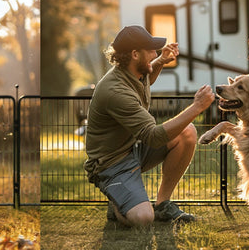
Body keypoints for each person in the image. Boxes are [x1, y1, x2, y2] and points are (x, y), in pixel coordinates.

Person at [84, 25, 215, 226]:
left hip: (132, 147)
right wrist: (197, 107)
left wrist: (160, 61)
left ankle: (162, 204)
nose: (155, 53)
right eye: (151, 50)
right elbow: (153, 137)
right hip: (111, 164)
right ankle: (118, 201)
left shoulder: (132, 72)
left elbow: (146, 80)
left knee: (186, 133)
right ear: (135, 54)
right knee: (144, 218)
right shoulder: (115, 91)